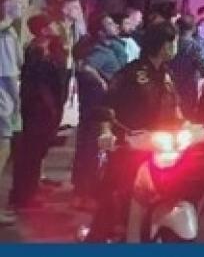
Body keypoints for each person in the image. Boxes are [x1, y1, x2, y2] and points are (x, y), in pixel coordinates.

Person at [88, 21, 185, 242]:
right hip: (130, 148)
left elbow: (176, 107)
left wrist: (187, 125)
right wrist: (106, 132)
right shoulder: (130, 74)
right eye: (172, 42)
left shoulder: (166, 74)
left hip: (162, 149)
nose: (175, 47)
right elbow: (107, 106)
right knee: (113, 197)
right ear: (162, 45)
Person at [9, 14, 68, 212]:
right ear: (43, 30)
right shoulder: (36, 52)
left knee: (36, 153)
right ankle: (24, 196)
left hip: (46, 110)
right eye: (52, 24)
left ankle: (29, 191)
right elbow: (38, 85)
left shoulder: (50, 50)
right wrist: (50, 107)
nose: (56, 26)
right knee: (30, 155)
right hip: (38, 111)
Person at [72, 14, 129, 209]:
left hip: (100, 106)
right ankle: (82, 194)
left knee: (91, 149)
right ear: (101, 31)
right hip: (95, 107)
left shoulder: (109, 47)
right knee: (90, 149)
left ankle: (84, 192)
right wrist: (102, 82)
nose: (115, 25)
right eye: (110, 23)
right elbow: (86, 67)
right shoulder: (99, 50)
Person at [0, 0, 28, 227]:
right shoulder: (6, 34)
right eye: (17, 3)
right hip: (3, 102)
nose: (21, 7)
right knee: (2, 153)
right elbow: (9, 74)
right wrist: (18, 101)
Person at [168, 14, 204, 119]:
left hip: (170, 88)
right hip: (188, 90)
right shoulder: (194, 46)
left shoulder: (170, 44)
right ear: (194, 28)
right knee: (187, 120)